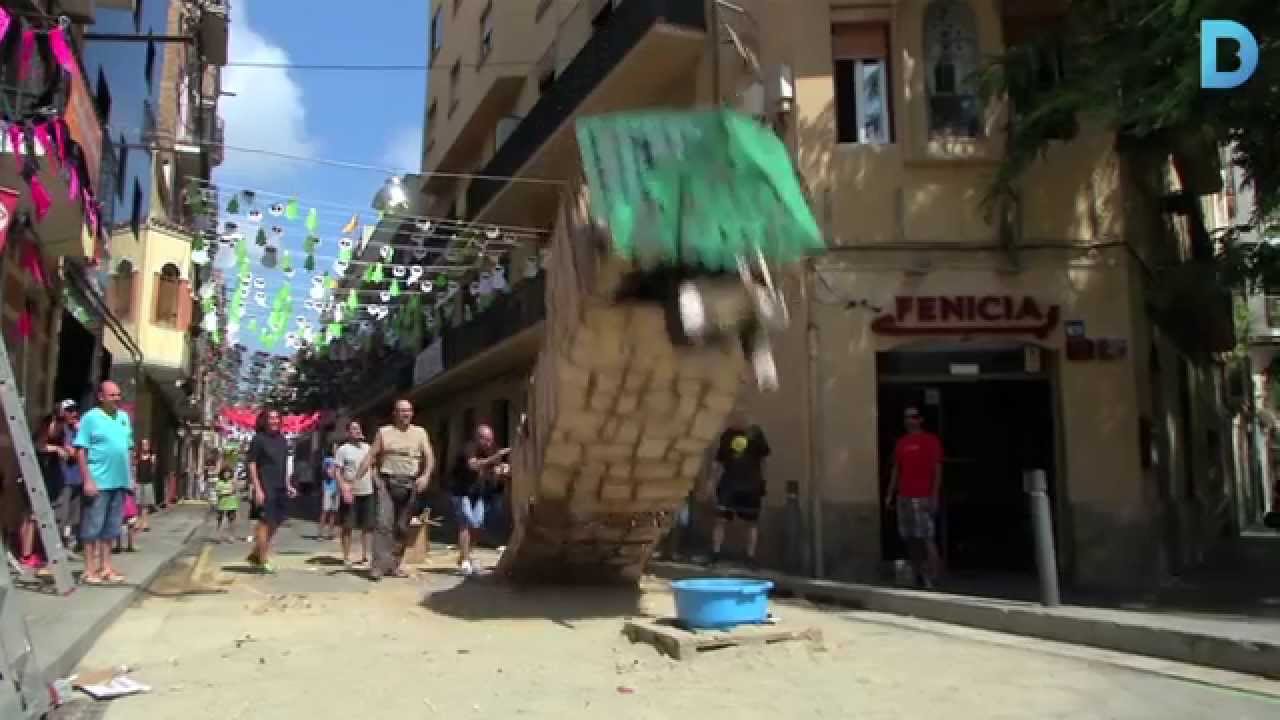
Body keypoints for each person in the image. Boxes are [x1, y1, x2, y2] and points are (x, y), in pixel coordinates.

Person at [355, 399, 434, 580]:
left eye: (409, 411)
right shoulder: (384, 432)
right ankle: (377, 567)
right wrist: (356, 480)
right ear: (395, 414)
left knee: (402, 527)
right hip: (387, 483)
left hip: (411, 484)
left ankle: (394, 565)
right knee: (383, 524)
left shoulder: (420, 433)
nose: (406, 414)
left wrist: (426, 476)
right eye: (402, 411)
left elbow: (429, 457)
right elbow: (370, 456)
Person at [74, 382, 134, 585]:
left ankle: (106, 567)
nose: (117, 398)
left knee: (111, 528)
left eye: (119, 394)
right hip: (98, 481)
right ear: (101, 396)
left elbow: (128, 450)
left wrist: (130, 479)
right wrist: (87, 480)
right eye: (112, 395)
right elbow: (80, 450)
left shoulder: (124, 418)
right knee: (92, 528)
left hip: (119, 482)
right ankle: (89, 569)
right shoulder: (90, 418)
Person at [885, 406, 944, 590]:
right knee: (910, 539)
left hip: (924, 496)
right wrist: (890, 493)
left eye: (914, 417)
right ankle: (919, 575)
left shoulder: (931, 441)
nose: (910, 420)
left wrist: (934, 495)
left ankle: (933, 578)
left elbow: (937, 469)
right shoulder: (901, 443)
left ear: (921, 420)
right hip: (905, 496)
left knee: (926, 537)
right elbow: (896, 470)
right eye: (907, 417)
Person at [707, 411, 770, 568]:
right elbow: (718, 462)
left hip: (751, 485)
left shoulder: (756, 434)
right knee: (720, 520)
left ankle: (750, 558)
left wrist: (762, 481)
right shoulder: (727, 435)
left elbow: (764, 461)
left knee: (751, 523)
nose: (739, 419)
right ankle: (715, 554)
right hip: (729, 484)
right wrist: (711, 482)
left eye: (743, 416)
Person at [451, 424, 509, 576]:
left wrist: (502, 470)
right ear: (478, 438)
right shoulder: (468, 448)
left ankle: (467, 556)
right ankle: (464, 562)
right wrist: (494, 459)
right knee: (466, 523)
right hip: (462, 492)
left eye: (491, 440)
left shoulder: (492, 450)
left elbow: (495, 470)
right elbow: (473, 466)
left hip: (479, 493)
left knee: (477, 526)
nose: (489, 443)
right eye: (486, 440)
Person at [246, 408, 297, 573]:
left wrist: (288, 484)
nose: (274, 421)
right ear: (265, 421)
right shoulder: (258, 439)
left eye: (277, 418)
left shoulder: (283, 440)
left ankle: (256, 553)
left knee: (276, 522)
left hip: (280, 486)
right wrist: (257, 488)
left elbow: (283, 465)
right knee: (265, 522)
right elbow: (252, 464)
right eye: (271, 418)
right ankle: (263, 559)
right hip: (265, 486)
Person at [336, 420, 374, 568]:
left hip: (367, 490)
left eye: (359, 428)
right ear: (348, 432)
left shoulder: (368, 448)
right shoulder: (343, 449)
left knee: (368, 526)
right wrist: (343, 488)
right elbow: (337, 472)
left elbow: (373, 467)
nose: (357, 431)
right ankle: (346, 557)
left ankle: (366, 556)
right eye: (353, 429)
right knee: (348, 525)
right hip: (350, 491)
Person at [57, 400, 83, 554]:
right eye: (69, 410)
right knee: (62, 513)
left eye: (75, 410)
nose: (73, 413)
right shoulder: (62, 430)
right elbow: (71, 452)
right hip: (64, 478)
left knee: (75, 516)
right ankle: (60, 546)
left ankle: (69, 544)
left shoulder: (78, 430)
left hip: (78, 478)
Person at [133, 438, 157, 532]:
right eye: (143, 444)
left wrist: (153, 460)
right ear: (141, 446)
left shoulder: (152, 457)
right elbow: (134, 469)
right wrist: (134, 481)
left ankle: (145, 523)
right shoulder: (137, 456)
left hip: (148, 482)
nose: (145, 446)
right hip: (138, 482)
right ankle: (138, 523)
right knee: (138, 504)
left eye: (147, 444)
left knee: (146, 504)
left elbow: (153, 470)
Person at [317, 445, 340, 541]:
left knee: (334, 512)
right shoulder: (328, 460)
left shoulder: (340, 461)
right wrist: (334, 470)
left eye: (337, 447)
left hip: (337, 488)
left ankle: (330, 533)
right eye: (334, 447)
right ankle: (320, 533)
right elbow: (328, 473)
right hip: (328, 488)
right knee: (325, 511)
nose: (336, 449)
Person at [214, 467, 240, 543]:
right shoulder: (219, 482)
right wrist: (227, 492)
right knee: (220, 520)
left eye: (228, 473)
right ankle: (219, 536)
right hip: (222, 504)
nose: (226, 474)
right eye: (225, 473)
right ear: (222, 474)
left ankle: (231, 536)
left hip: (231, 504)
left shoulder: (232, 481)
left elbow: (234, 490)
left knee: (231, 521)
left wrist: (234, 484)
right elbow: (218, 492)